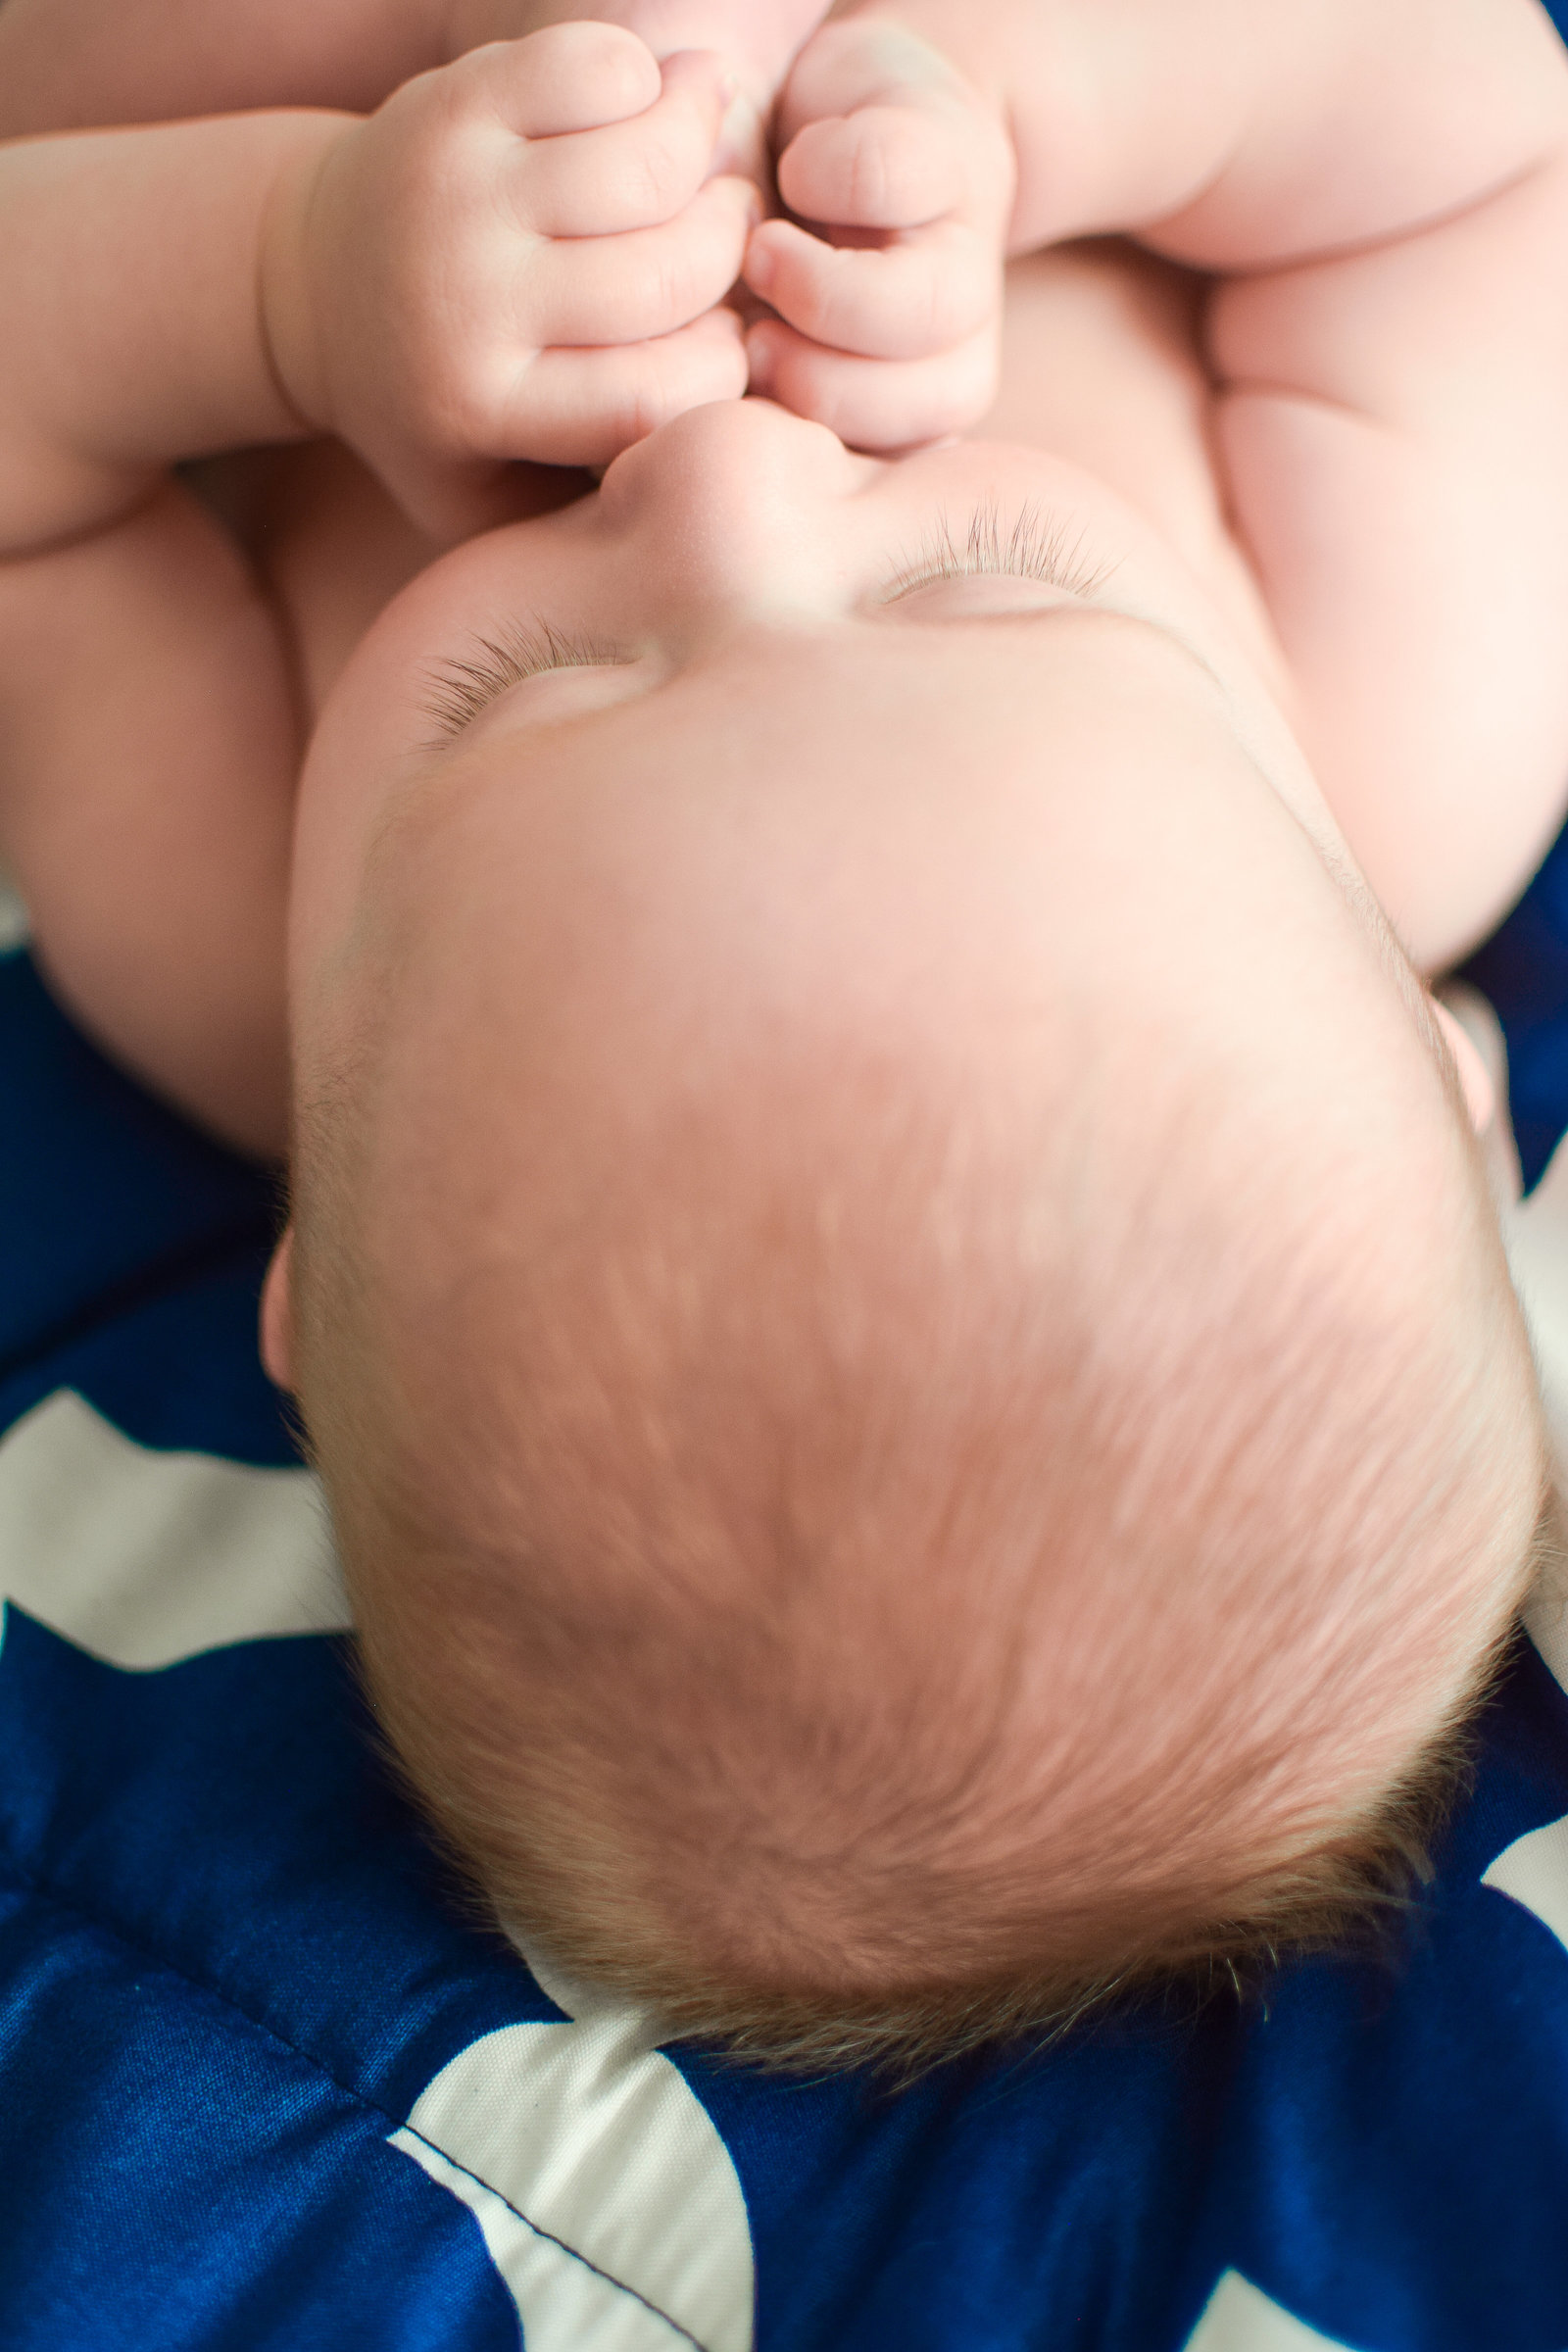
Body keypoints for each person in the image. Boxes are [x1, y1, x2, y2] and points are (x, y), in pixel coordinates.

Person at [0, 0, 1563, 2068]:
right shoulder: (1404, 712)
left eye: (536, 684)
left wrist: (288, 268)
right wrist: (1024, 105)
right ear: (1430, 1064)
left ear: (324, 1286)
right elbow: (1478, 142)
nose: (727, 474)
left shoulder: (229, 940)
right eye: (986, 594)